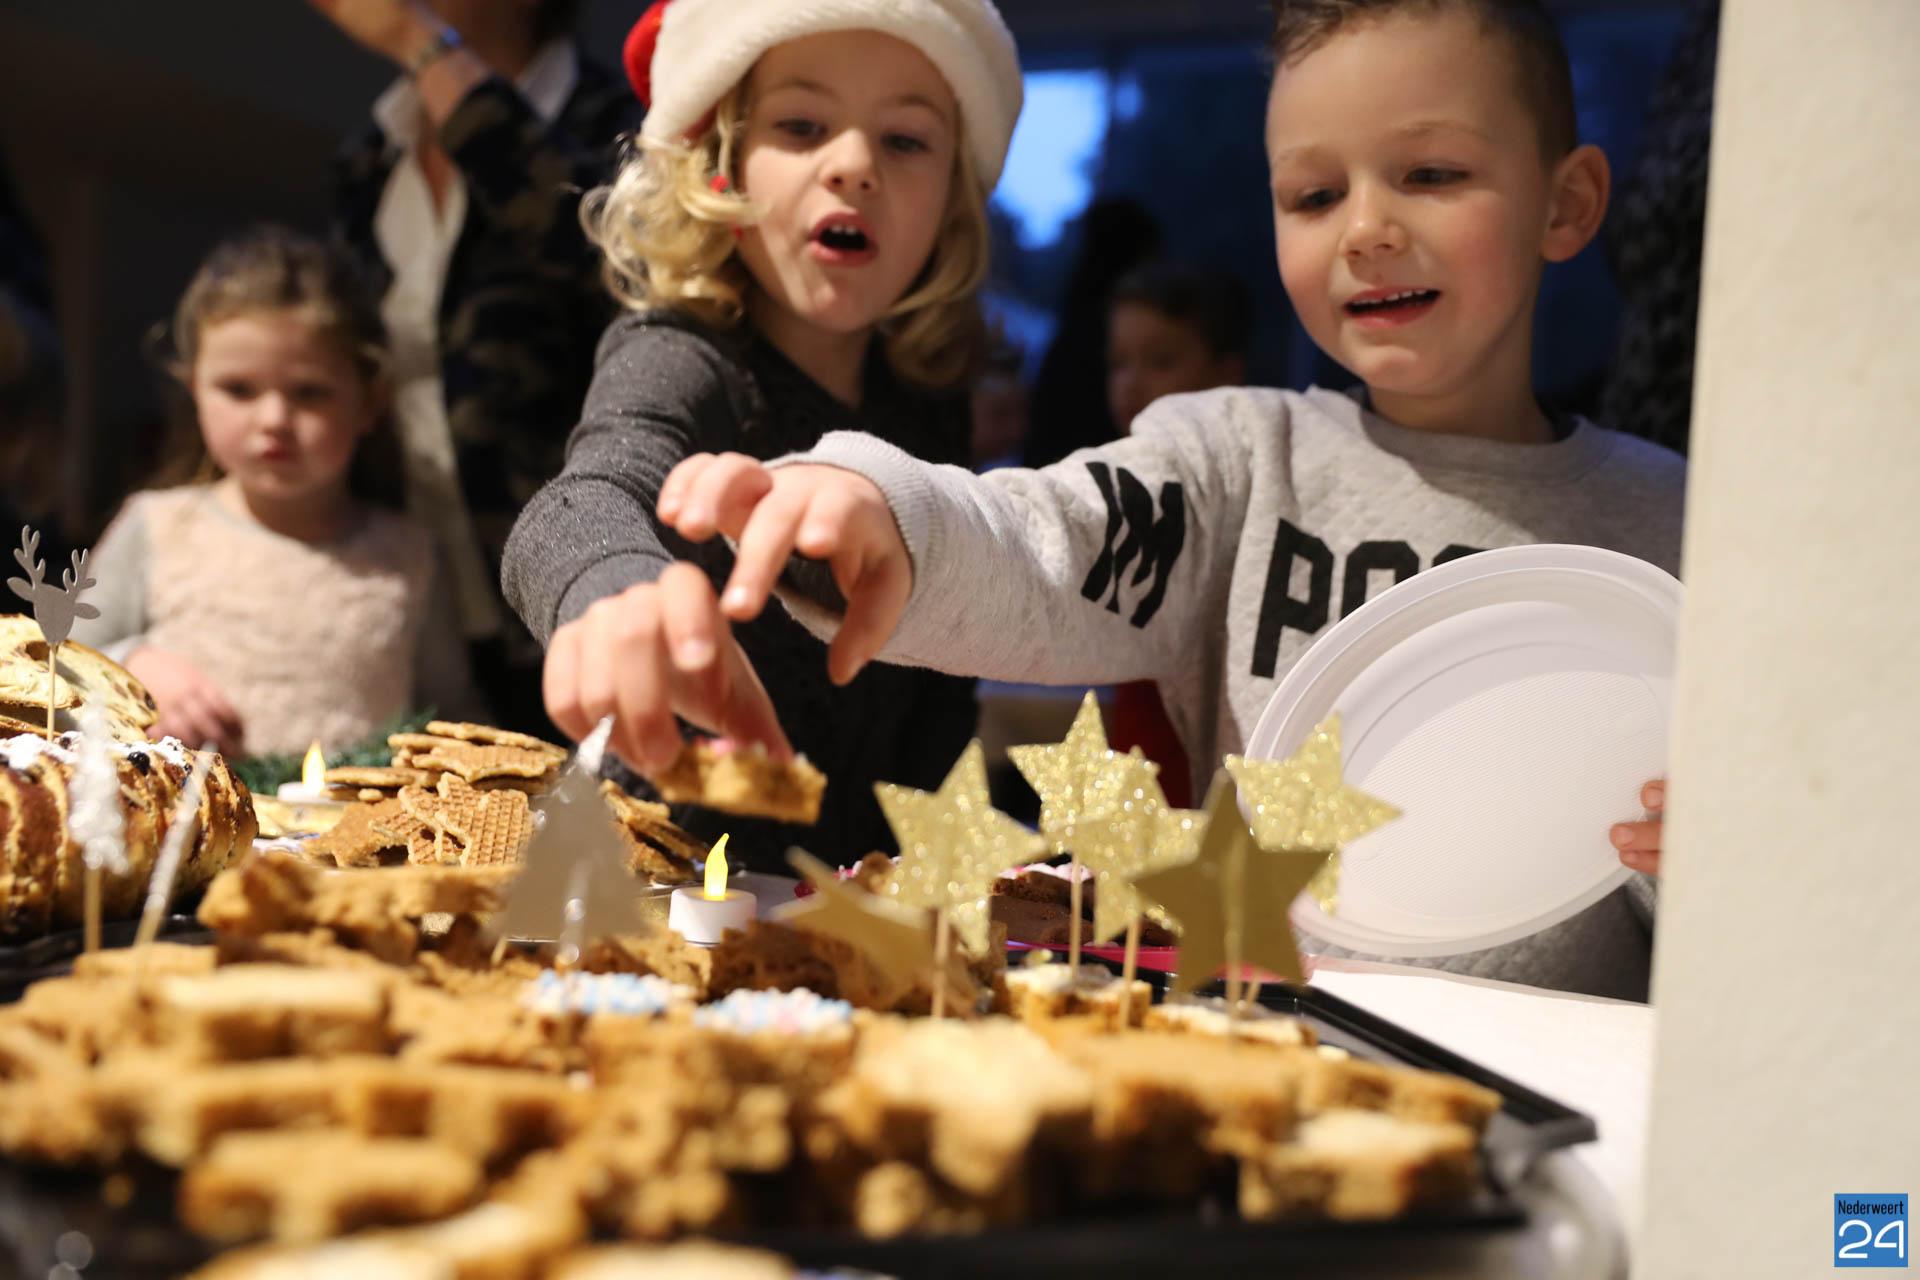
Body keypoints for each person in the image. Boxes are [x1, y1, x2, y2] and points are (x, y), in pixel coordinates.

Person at [640, 0, 1689, 999]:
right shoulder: (1236, 460)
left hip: (1584, 1078)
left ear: (1567, 203)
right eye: (1314, 196)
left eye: (1431, 173)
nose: (1366, 228)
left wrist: (1717, 849)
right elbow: (1045, 538)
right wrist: (877, 504)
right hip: (1274, 1052)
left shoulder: (1687, 525)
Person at [501, 0, 1024, 870]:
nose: (853, 164)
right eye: (802, 125)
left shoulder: (932, 401)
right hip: (668, 886)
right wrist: (613, 587)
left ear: (952, 206)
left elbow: (938, 698)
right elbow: (583, 498)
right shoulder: (681, 355)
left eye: (905, 139)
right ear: (720, 169)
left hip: (858, 893)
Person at [309, 0, 643, 735]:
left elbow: (621, 265)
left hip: (587, 595)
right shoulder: (372, 157)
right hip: (423, 600)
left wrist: (420, 42)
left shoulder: (624, 123)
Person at [72, 227, 478, 759]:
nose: (274, 419)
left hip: (348, 814)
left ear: (370, 402)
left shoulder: (409, 556)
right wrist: (133, 663)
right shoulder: (155, 525)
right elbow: (56, 667)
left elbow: (452, 717)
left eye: (309, 393)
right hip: (182, 809)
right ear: (196, 390)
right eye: (238, 389)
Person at [1102, 261, 1254, 806]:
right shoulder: (1117, 484)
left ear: (1225, 373)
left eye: (1161, 361)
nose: (1130, 383)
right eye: (1118, 363)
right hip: (1138, 781)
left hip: (1216, 791)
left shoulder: (1247, 504)